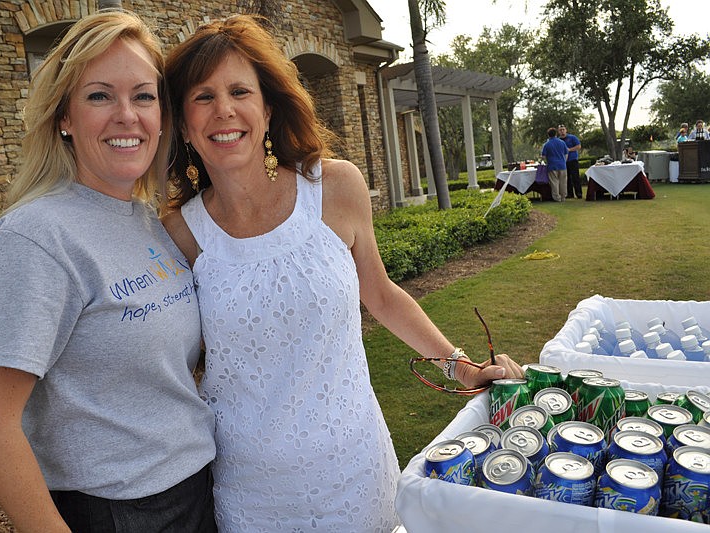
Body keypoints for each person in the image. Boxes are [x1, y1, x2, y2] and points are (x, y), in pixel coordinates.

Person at [161, 14, 524, 532]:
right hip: (249, 489)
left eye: (240, 90)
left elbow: (380, 295)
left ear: (267, 107)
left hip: (353, 470)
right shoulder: (180, 233)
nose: (224, 110)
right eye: (202, 96)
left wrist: (461, 368)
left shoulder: (334, 188)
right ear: (183, 120)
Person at [0, 10, 217, 533]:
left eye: (144, 96)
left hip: (196, 488)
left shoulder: (149, 223)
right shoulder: (35, 239)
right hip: (113, 512)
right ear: (64, 117)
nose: (127, 115)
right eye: (100, 95)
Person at [541, 127, 568, 201]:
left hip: (552, 165)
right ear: (556, 134)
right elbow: (566, 153)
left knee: (554, 182)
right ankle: (563, 197)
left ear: (548, 135)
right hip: (562, 165)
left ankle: (557, 197)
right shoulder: (562, 142)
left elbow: (543, 156)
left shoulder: (546, 144)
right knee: (563, 182)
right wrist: (564, 161)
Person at [558, 124, 582, 199]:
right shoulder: (558, 140)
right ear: (558, 132)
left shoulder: (572, 137)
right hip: (564, 161)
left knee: (575, 177)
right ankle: (570, 194)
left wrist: (569, 150)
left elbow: (578, 146)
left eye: (563, 129)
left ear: (566, 130)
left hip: (573, 160)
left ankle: (579, 193)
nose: (562, 131)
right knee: (566, 178)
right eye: (560, 130)